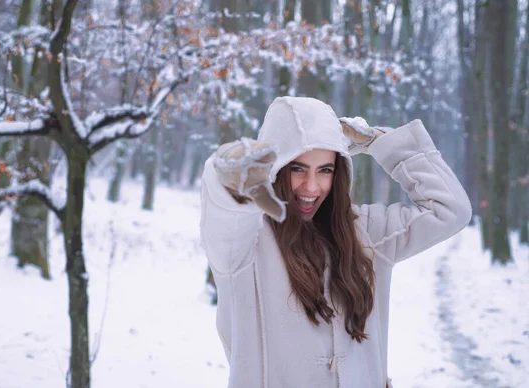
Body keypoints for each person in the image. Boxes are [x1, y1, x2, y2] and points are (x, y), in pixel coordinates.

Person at [199, 96, 472, 388]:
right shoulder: (244, 248)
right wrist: (231, 176)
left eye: (325, 170)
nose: (312, 187)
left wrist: (380, 143)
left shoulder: (366, 234)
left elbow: (450, 209)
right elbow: (225, 214)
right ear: (274, 168)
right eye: (297, 169)